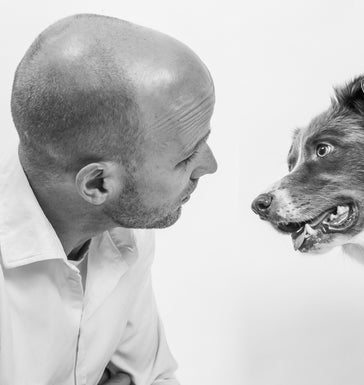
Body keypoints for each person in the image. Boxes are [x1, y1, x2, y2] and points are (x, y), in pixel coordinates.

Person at [0, 13, 217, 385]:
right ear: (98, 184)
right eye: (185, 158)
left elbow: (152, 377)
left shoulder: (122, 227)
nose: (210, 166)